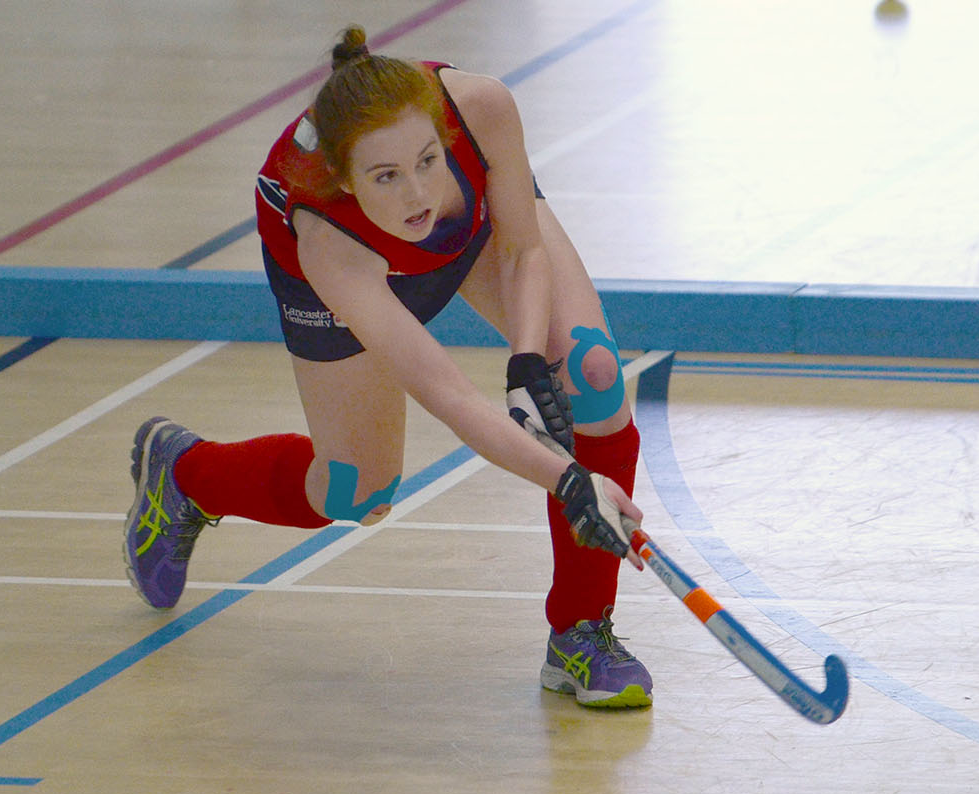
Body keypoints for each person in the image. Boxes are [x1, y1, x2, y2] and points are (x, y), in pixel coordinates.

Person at [124, 26, 654, 708]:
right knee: (355, 490)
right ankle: (185, 474)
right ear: (347, 178)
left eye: (429, 161)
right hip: (354, 265)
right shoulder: (325, 241)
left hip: (476, 239)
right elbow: (450, 394)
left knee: (592, 372)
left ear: (440, 132)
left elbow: (522, 251)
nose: (417, 195)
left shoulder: (481, 107)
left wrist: (527, 361)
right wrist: (571, 481)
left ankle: (582, 633)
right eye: (387, 177)